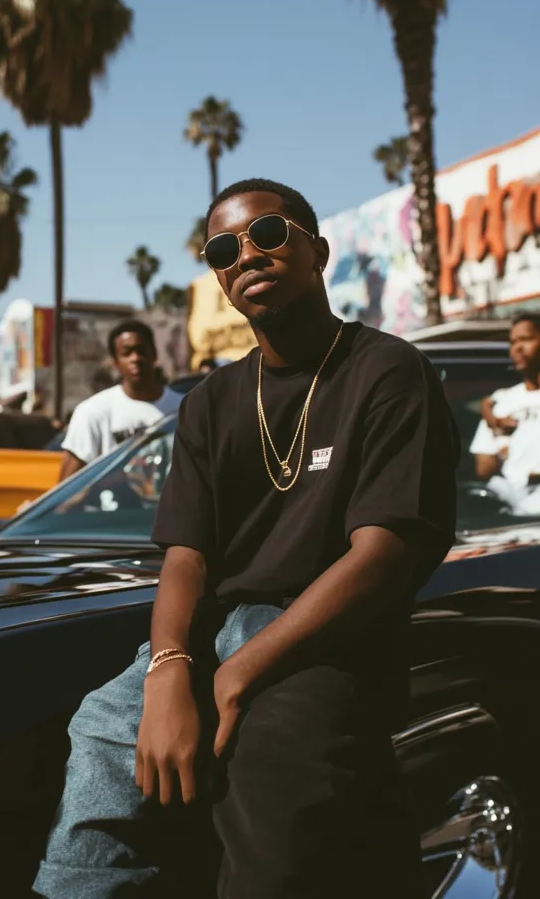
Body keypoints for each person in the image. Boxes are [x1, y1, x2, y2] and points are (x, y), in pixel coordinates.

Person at [34, 178, 459, 899]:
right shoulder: (211, 402)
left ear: (317, 251)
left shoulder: (389, 371)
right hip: (211, 629)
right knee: (102, 728)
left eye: (268, 234)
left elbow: (384, 556)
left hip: (326, 637)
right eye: (224, 249)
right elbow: (186, 555)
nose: (246, 256)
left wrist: (238, 674)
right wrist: (170, 667)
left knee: (272, 802)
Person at [59, 319, 180, 481]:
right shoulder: (93, 412)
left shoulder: (185, 408)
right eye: (126, 353)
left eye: (141, 351)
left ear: (154, 354)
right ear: (115, 362)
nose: (135, 358)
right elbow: (67, 487)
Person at [470, 313, 540, 514]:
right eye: (513, 342)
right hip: (512, 518)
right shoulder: (500, 402)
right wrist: (500, 439)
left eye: (526, 339)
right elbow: (484, 468)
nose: (517, 348)